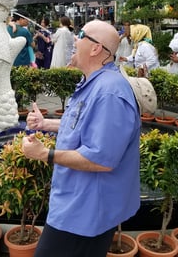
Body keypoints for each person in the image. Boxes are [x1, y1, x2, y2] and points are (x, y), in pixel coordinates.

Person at [22, 19, 141, 257]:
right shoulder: (93, 83)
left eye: (82, 35)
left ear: (96, 48)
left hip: (85, 214)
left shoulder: (110, 93)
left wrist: (45, 154)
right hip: (74, 205)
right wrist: (46, 124)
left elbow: (101, 159)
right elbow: (81, 125)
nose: (75, 40)